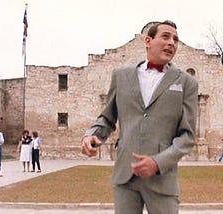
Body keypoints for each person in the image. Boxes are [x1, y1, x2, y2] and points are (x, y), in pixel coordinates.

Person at [81, 20, 198, 214]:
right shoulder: (121, 76)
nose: (172, 43)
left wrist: (158, 162)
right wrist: (92, 134)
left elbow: (188, 137)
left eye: (176, 39)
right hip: (125, 177)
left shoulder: (187, 83)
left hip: (163, 180)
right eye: (166, 37)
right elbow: (107, 118)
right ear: (148, 41)